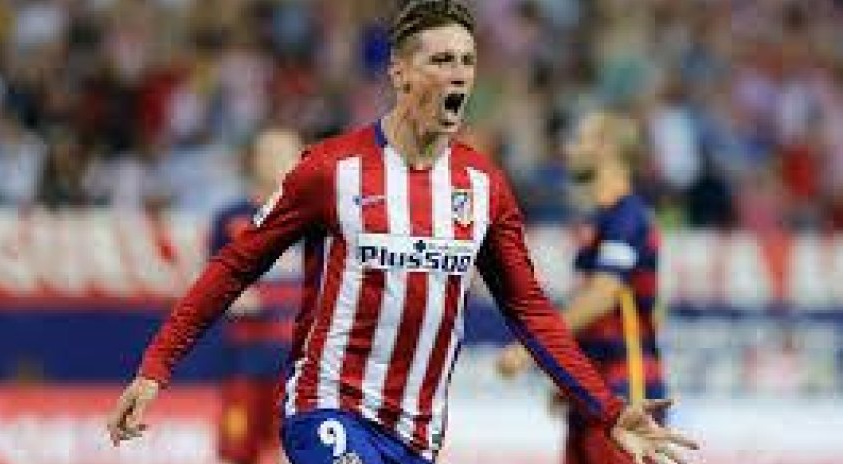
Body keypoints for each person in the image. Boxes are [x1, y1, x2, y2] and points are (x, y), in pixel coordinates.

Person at [107, 2, 697, 464]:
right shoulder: (330, 170)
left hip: (417, 433)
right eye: (441, 60)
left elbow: (530, 310)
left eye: (467, 61)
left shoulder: (484, 186)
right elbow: (234, 266)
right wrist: (156, 367)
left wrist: (607, 410)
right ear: (400, 72)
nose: (458, 74)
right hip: (327, 408)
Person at [498, 111, 669, 464]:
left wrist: (535, 346)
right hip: (594, 391)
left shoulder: (629, 217)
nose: (569, 149)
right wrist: (572, 378)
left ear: (606, 148)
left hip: (626, 389)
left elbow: (603, 295)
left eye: (580, 140)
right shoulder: (601, 221)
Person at [210, 129, 303, 464]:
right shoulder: (230, 219)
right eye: (269, 153)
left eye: (286, 153)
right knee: (236, 452)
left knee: (293, 452)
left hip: (299, 362)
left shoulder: (317, 216)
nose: (277, 162)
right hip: (245, 359)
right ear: (254, 160)